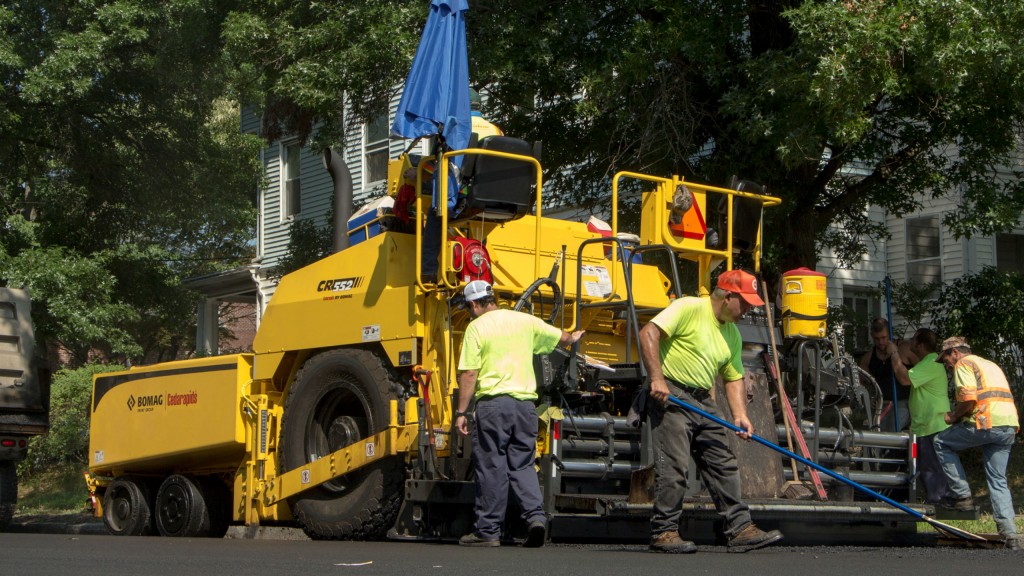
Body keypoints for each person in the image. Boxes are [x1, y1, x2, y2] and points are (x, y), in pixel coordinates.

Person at [639, 269, 784, 554]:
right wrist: (656, 378)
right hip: (673, 393)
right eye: (745, 303)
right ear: (728, 296)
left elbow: (733, 377)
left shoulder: (731, 334)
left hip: (702, 400)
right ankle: (664, 532)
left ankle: (740, 528)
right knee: (675, 465)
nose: (747, 310)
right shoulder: (688, 307)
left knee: (723, 461)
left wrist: (740, 414)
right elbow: (649, 333)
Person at [454, 280, 584, 547]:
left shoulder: (476, 327)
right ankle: (536, 518)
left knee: (492, 466)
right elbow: (563, 337)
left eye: (468, 308)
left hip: (493, 405)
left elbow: (469, 373)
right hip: (525, 407)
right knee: (523, 464)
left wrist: (461, 411)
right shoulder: (525, 321)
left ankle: (487, 531)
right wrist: (574, 337)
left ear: (475, 304)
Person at [933, 337, 1021, 549]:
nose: (946, 364)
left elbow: (969, 398)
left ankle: (962, 496)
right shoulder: (989, 364)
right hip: (1008, 425)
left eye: (945, 359)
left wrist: (953, 417)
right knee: (998, 479)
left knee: (941, 442)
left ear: (955, 352)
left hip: (986, 422)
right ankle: (1011, 534)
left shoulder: (964, 363)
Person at [887, 328, 951, 504]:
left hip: (932, 425)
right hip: (925, 425)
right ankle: (935, 500)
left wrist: (894, 353)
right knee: (926, 467)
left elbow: (905, 379)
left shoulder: (931, 363)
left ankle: (939, 502)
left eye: (913, 340)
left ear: (921, 345)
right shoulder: (926, 363)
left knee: (932, 468)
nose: (910, 344)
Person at [858, 318, 918, 431]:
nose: (881, 342)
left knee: (892, 427)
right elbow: (861, 382)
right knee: (874, 433)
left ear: (890, 334)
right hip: (881, 404)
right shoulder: (868, 357)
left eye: (884, 338)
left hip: (904, 403)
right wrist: (869, 397)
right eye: (877, 339)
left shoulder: (905, 349)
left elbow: (923, 369)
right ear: (872, 336)